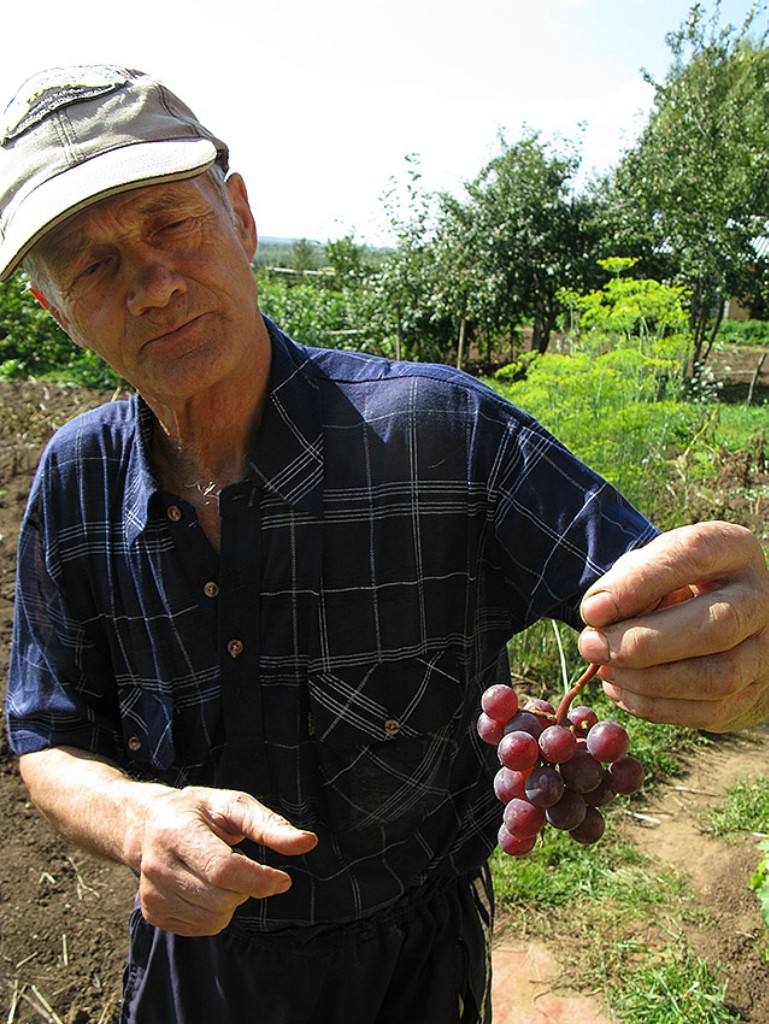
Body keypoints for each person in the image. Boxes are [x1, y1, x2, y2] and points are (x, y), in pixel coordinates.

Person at [2, 65, 768, 1024]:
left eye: (172, 223)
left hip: (412, 975)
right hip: (190, 976)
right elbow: (46, 736)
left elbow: (673, 602)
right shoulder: (75, 481)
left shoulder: (443, 433)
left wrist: (736, 641)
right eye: (93, 264)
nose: (153, 283)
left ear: (239, 218)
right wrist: (139, 818)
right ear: (55, 311)